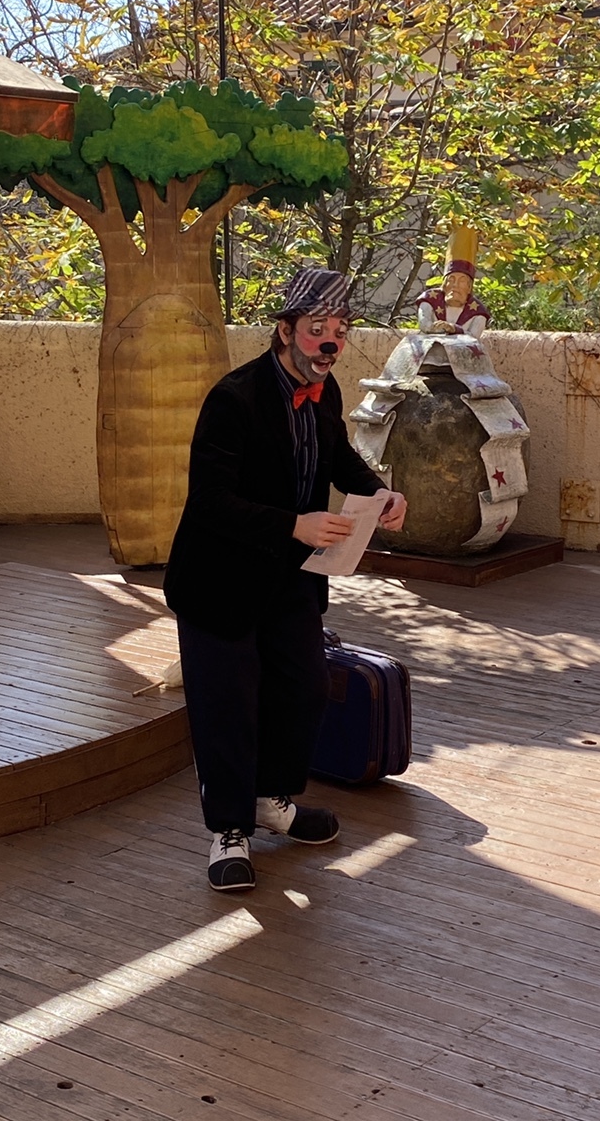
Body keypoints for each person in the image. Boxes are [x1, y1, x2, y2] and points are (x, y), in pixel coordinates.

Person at [163, 267, 407, 892]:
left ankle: (271, 800)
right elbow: (210, 501)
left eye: (341, 331)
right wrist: (294, 525)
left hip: (289, 576)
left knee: (302, 687)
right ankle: (228, 830)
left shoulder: (324, 391)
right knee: (228, 705)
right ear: (285, 331)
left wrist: (379, 491)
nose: (331, 341)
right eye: (318, 328)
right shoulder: (234, 398)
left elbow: (336, 454)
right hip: (219, 580)